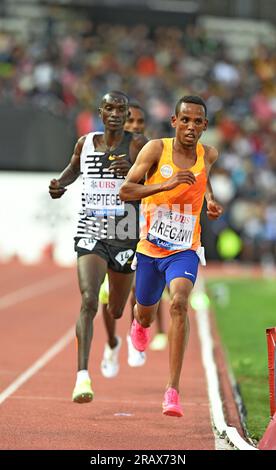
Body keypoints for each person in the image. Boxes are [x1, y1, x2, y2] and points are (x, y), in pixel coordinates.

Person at [119, 95, 223, 417]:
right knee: (147, 313)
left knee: (179, 302)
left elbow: (202, 177)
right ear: (174, 122)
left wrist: (210, 200)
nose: (191, 127)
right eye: (185, 120)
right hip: (150, 249)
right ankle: (139, 322)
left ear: (204, 126)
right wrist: (165, 184)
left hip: (185, 248)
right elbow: (126, 190)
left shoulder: (210, 154)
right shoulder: (155, 150)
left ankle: (172, 390)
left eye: (197, 122)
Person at [49, 91, 147, 403]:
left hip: (125, 232)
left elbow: (156, 187)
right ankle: (82, 377)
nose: (116, 114)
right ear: (100, 112)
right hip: (91, 227)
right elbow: (75, 168)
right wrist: (60, 184)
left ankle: (115, 342)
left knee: (116, 310)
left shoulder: (137, 144)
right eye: (110, 108)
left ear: (127, 112)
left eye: (121, 109)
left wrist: (131, 178)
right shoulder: (85, 142)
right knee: (89, 299)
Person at [99, 102, 167, 374]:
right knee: (110, 294)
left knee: (140, 290)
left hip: (145, 227)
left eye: (140, 122)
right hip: (115, 228)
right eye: (131, 122)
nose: (136, 127)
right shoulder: (107, 151)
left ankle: (132, 334)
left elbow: (163, 185)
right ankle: (111, 342)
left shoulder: (151, 151)